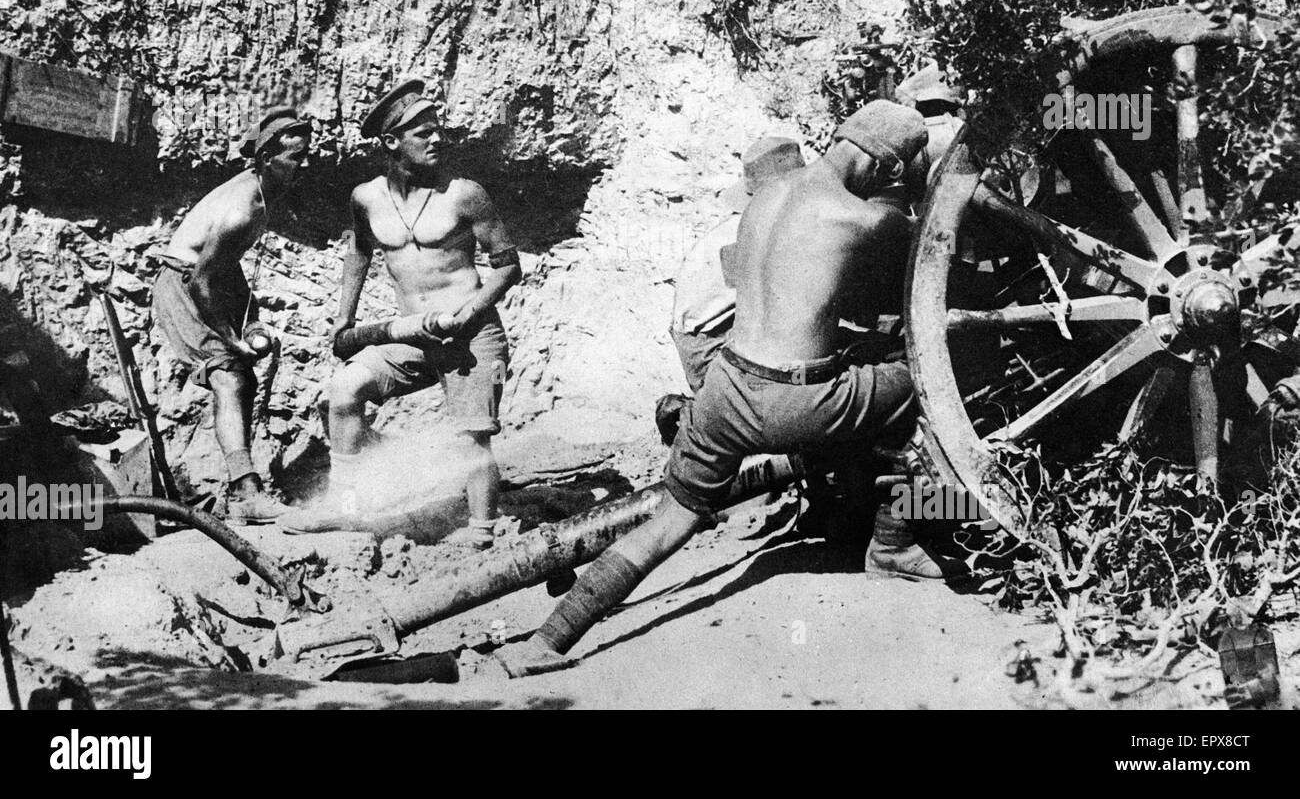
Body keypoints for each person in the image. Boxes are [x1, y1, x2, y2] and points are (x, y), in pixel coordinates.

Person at [496, 101, 940, 677]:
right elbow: (931, 252)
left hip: (724, 388)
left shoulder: (768, 197)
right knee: (919, 388)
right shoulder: (869, 223)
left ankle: (544, 644)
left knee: (668, 523)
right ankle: (893, 544)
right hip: (796, 400)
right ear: (887, 169)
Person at [300, 78, 520, 548]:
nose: (437, 138)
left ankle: (482, 533)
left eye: (438, 128)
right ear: (391, 143)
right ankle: (347, 510)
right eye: (423, 132)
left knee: (472, 439)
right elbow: (358, 252)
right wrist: (344, 318)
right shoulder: (367, 197)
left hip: (470, 335)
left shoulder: (464, 194)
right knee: (344, 390)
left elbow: (507, 266)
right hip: (410, 334)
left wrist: (470, 311)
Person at [152, 106, 311, 524]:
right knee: (228, 375)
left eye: (305, 155)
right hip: (183, 286)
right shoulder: (243, 208)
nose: (303, 166)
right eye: (295, 157)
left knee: (243, 377)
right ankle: (246, 494)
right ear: (266, 160)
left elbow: (225, 267)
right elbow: (202, 279)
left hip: (210, 280)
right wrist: (232, 337)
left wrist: (250, 316)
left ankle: (241, 490)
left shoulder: (258, 194)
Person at [655, 136, 805, 445]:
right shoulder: (750, 234)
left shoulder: (746, 224)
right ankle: (695, 418)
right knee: (808, 380)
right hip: (711, 352)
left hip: (713, 340)